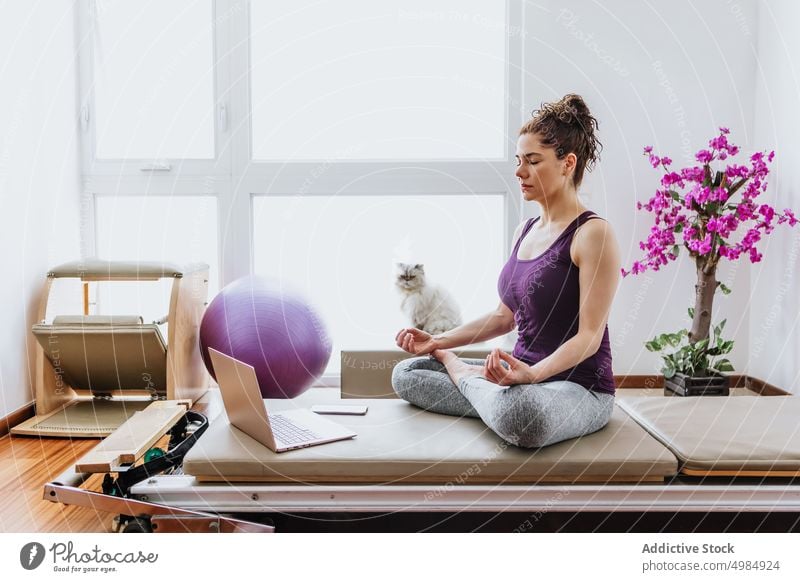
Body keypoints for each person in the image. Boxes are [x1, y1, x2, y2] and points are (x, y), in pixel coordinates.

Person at [391, 94, 621, 448]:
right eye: (518, 161)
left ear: (567, 163)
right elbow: (504, 317)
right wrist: (438, 341)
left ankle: (464, 374)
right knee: (408, 373)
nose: (518, 172)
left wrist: (532, 375)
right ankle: (483, 389)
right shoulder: (524, 231)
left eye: (532, 161)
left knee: (523, 415)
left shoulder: (593, 234)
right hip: (520, 375)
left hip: (577, 388)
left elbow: (589, 336)